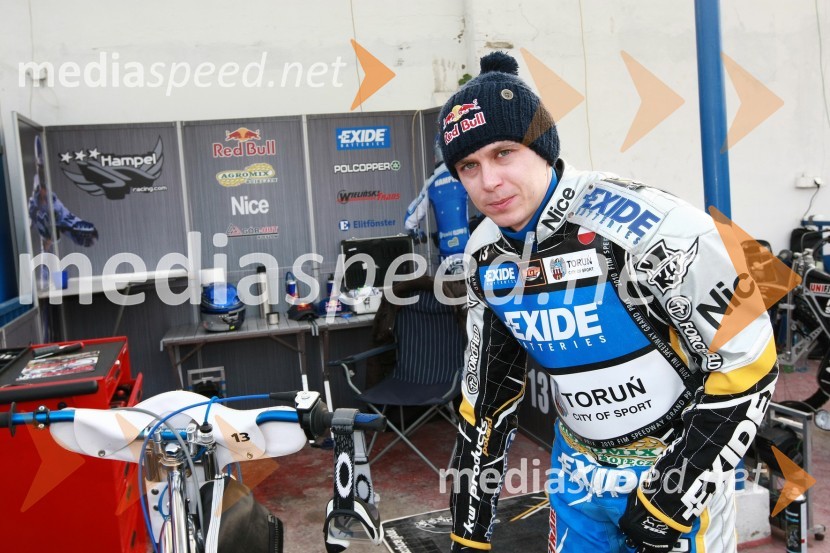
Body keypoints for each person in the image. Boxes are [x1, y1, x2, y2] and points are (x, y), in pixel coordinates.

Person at [439, 52, 778, 553]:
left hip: (673, 464)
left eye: (504, 153)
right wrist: (469, 527)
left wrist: (672, 496)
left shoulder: (657, 224)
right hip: (575, 472)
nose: (488, 181)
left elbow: (750, 363)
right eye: (469, 165)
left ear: (542, 146)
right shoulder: (484, 252)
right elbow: (486, 398)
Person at [405, 138, 471, 274]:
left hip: (446, 252)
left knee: (448, 293)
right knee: (473, 292)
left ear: (436, 155)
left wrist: (415, 232)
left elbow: (410, 220)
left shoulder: (431, 183)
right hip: (468, 248)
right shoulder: (464, 174)